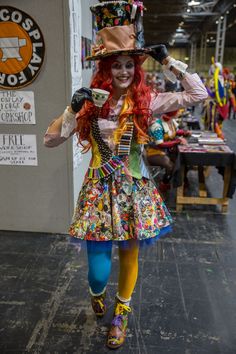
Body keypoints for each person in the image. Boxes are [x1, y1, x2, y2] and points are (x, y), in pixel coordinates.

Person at [44, 1, 208, 349]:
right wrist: (72, 108)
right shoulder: (90, 103)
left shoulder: (148, 101)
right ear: (105, 69)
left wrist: (168, 61)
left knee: (130, 256)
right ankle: (97, 292)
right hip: (96, 193)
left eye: (128, 65)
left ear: (136, 68)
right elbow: (50, 141)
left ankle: (121, 314)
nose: (123, 72)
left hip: (134, 191)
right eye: (116, 65)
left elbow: (198, 94)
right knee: (98, 270)